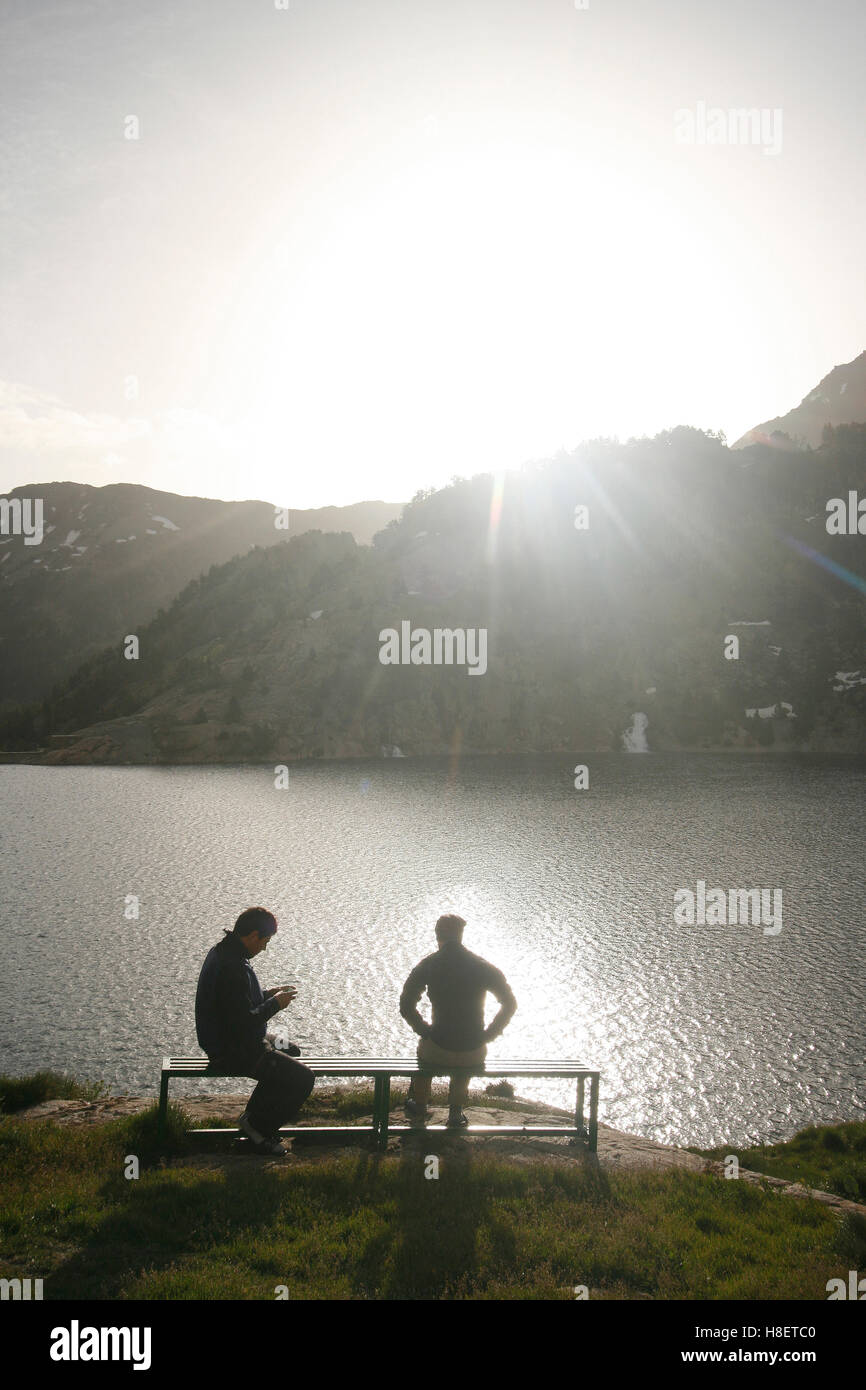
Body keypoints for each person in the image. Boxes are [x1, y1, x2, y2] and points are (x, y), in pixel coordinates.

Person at [195, 906, 314, 1156]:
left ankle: (253, 1117)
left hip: (233, 1041)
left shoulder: (225, 953)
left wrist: (268, 994)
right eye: (265, 941)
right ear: (253, 936)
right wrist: (275, 1004)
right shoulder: (232, 967)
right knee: (304, 1078)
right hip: (233, 1051)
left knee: (291, 1051)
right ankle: (259, 1130)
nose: (265, 948)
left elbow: (237, 1004)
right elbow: (243, 1022)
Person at [399, 913, 517, 1128]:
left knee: (424, 1049)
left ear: (437, 936)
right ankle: (455, 1113)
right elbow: (510, 1004)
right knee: (465, 1047)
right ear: (461, 935)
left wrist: (424, 1030)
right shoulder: (482, 966)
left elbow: (406, 1005)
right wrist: (488, 1035)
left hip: (438, 1049)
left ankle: (420, 1103)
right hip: (473, 1051)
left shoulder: (428, 964)